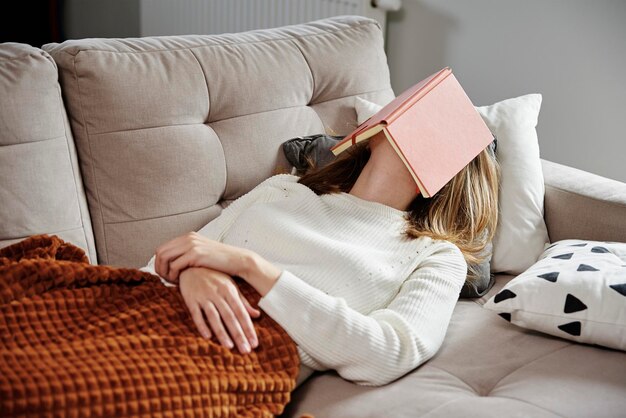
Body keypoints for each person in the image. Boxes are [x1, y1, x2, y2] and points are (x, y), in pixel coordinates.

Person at [142, 130, 500, 387]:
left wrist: (250, 267)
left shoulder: (436, 256)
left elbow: (392, 352)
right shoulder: (283, 189)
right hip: (154, 310)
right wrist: (193, 273)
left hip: (226, 358)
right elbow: (171, 259)